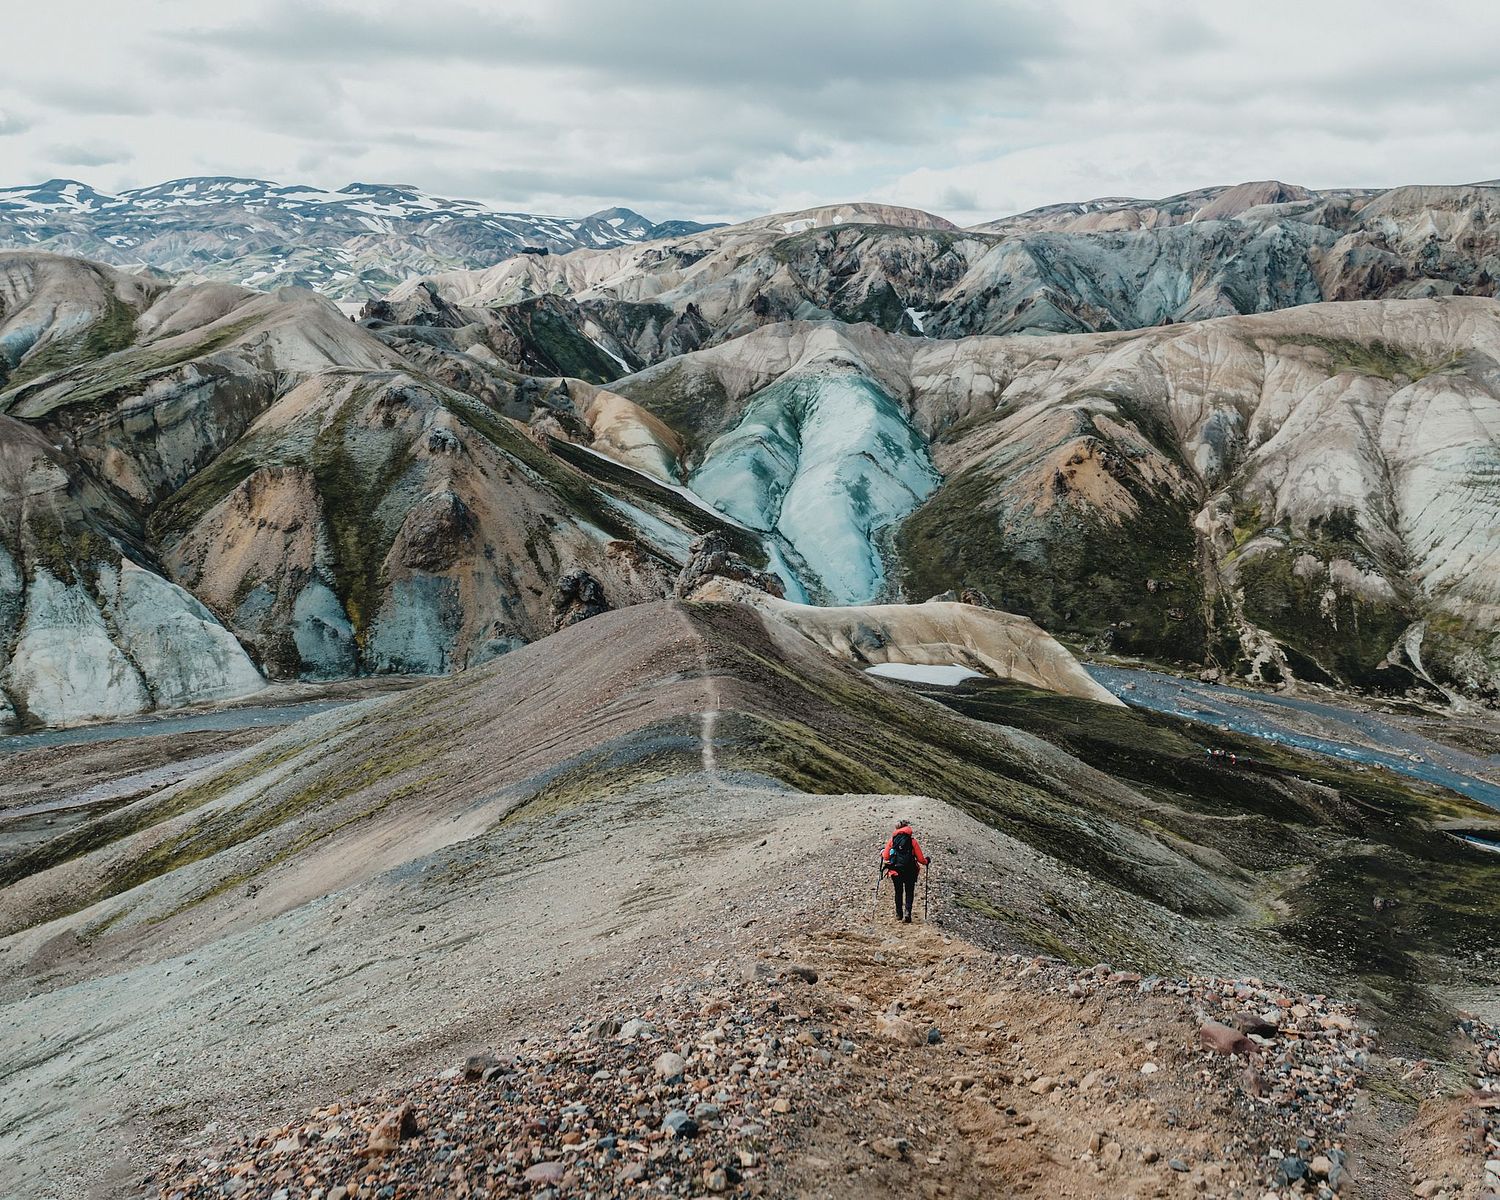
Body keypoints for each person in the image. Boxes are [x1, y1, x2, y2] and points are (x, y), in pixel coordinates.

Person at [881, 819, 930, 923]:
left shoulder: (892, 840)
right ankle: (908, 913)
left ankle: (899, 914)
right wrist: (927, 861)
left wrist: (882, 853)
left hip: (895, 871)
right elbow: (921, 859)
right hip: (910, 870)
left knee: (898, 892)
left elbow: (886, 856)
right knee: (909, 892)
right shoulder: (912, 841)